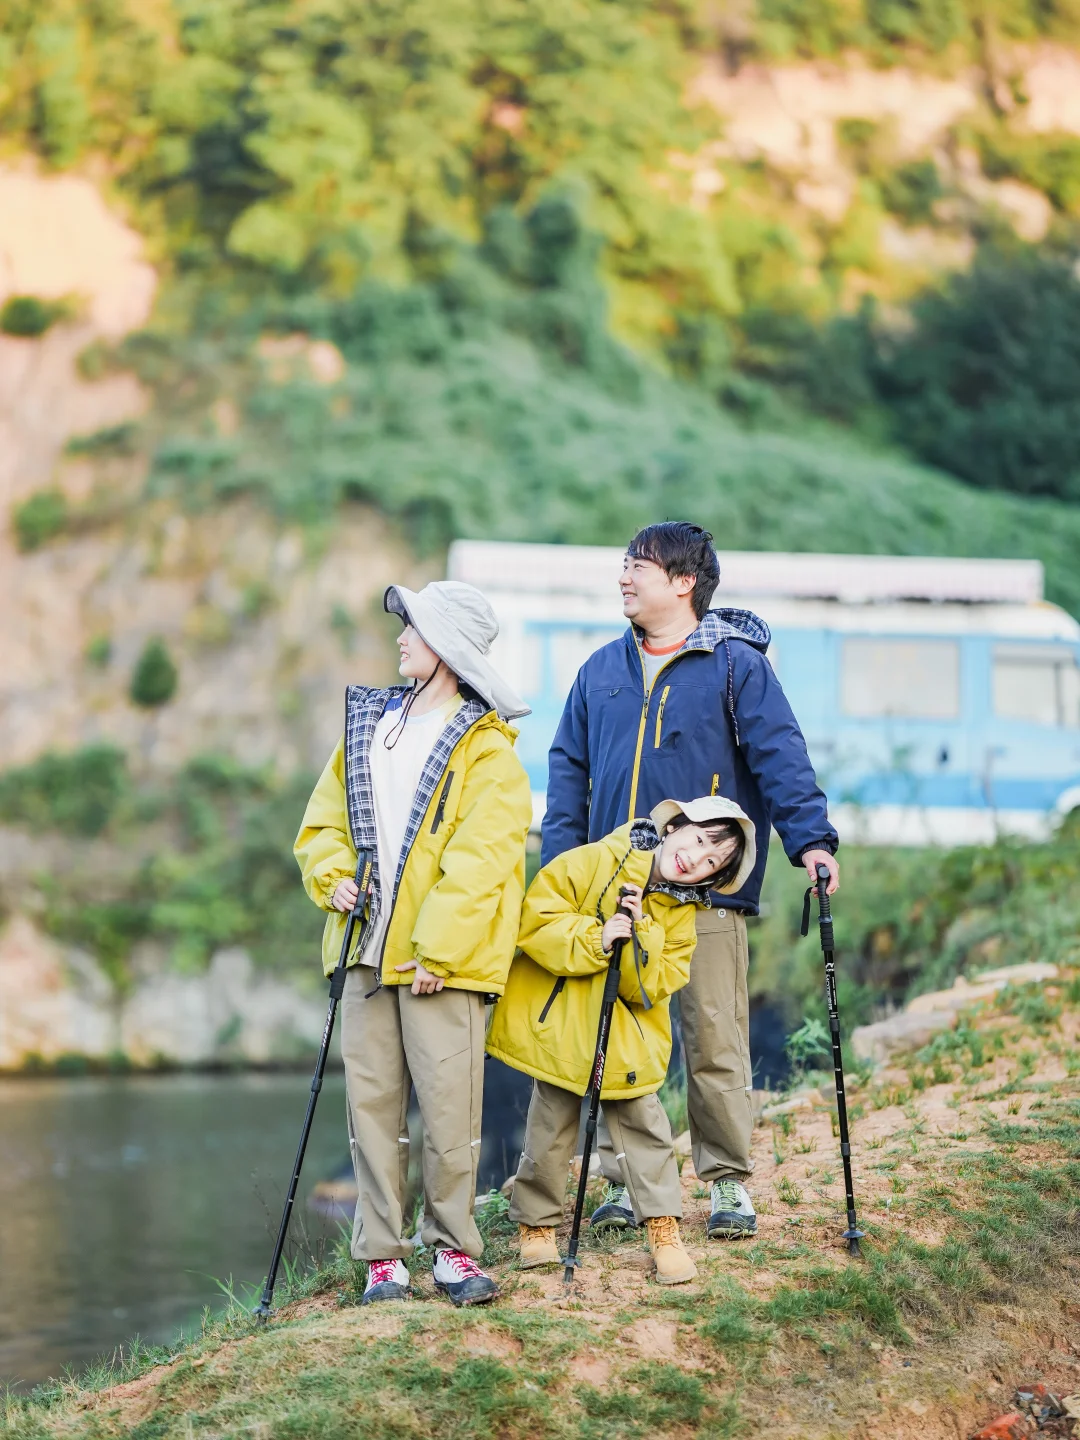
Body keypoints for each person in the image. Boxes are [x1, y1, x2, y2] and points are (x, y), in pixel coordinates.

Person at [542, 522, 839, 1240]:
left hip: (708, 891)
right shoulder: (599, 672)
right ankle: (621, 1181)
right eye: (622, 565)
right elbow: (567, 775)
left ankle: (728, 1182)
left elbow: (781, 757)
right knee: (613, 1037)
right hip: (617, 893)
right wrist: (560, 868)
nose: (624, 578)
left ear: (683, 582)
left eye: (636, 567)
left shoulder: (737, 667)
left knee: (715, 1039)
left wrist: (812, 843)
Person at [294, 581, 532, 1307]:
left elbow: (482, 862)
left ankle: (455, 1252)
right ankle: (382, 1259)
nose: (399, 638)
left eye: (415, 629)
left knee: (449, 1110)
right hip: (366, 948)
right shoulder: (367, 728)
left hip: (443, 963)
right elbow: (323, 824)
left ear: (449, 651)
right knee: (371, 1108)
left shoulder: (489, 753)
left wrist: (437, 951)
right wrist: (332, 878)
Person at [488, 796, 756, 1284]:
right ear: (673, 826)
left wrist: (639, 935)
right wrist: (597, 937)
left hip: (628, 1037)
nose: (695, 859)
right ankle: (536, 1225)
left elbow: (653, 985)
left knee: (644, 1126)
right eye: (697, 840)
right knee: (550, 1125)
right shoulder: (594, 861)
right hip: (566, 1026)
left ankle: (662, 1227)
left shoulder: (680, 917)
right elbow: (536, 920)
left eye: (711, 863)